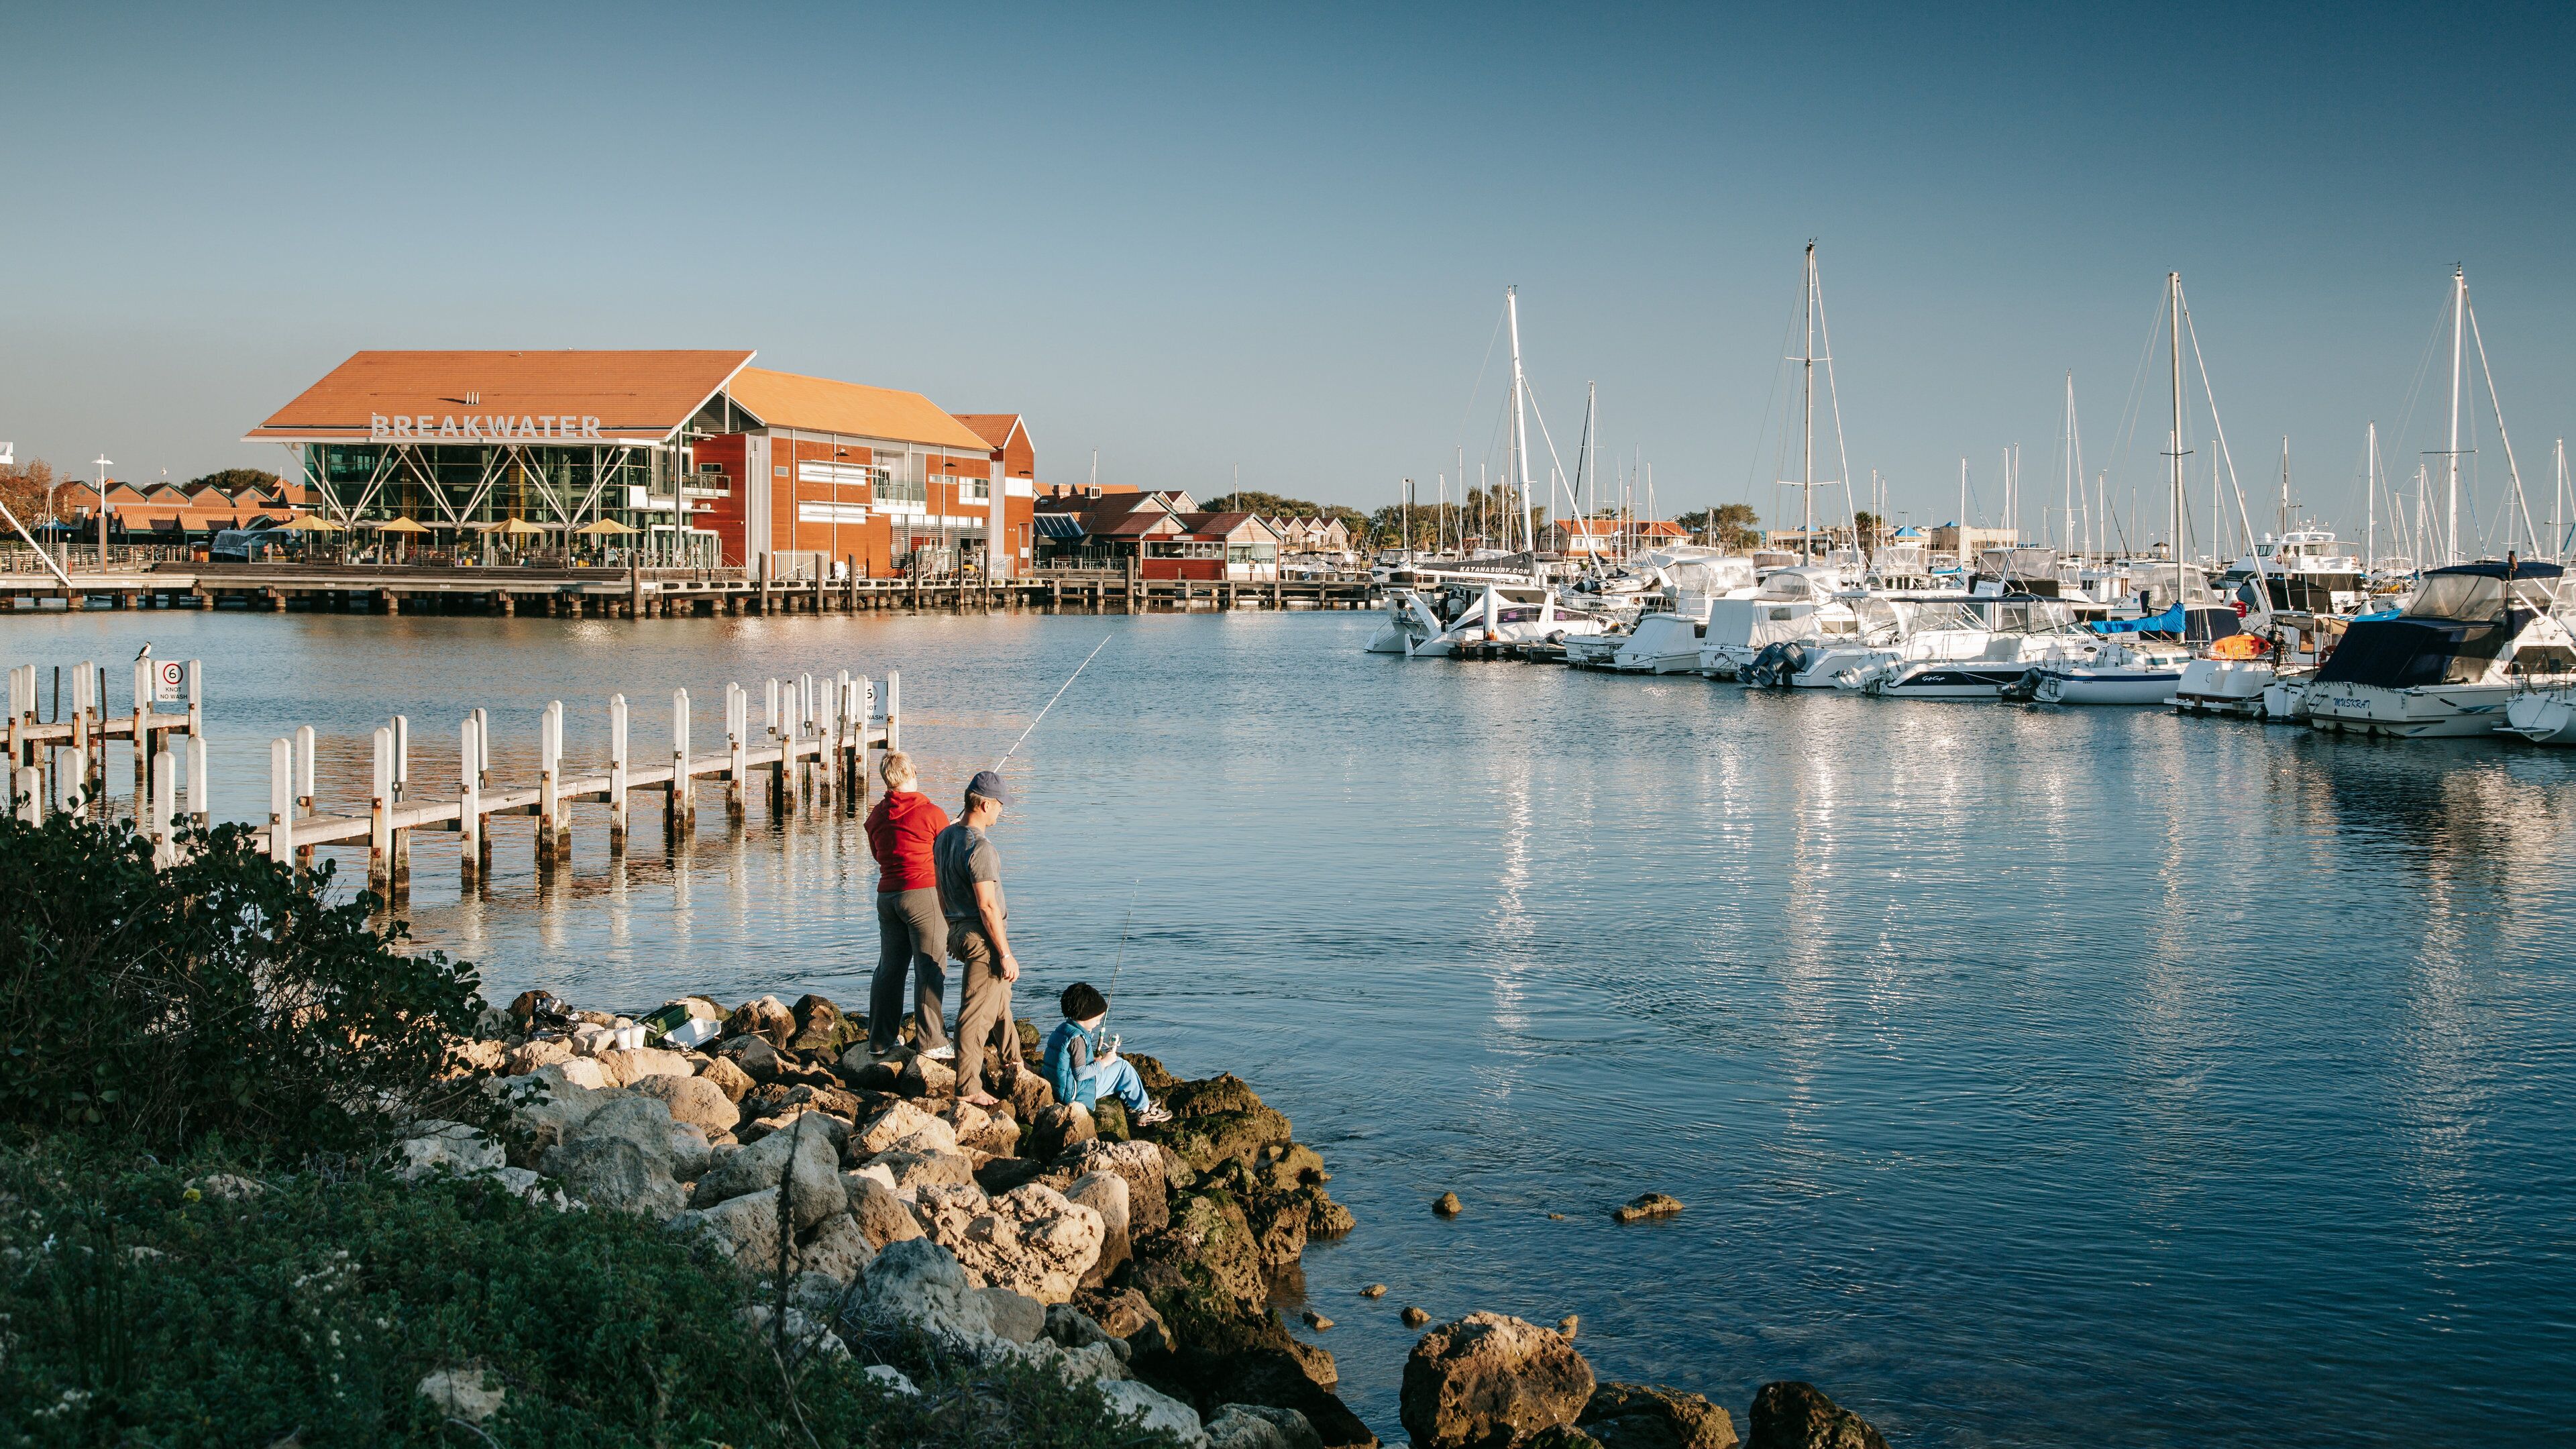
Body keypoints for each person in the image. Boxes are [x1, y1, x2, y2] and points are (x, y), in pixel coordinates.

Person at [934, 769, 1022, 1108]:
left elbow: (940, 890)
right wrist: (1004, 952)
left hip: (956, 930)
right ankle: (968, 1086)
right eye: (1000, 804)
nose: (1003, 809)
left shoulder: (944, 838)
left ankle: (1015, 1062)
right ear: (984, 805)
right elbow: (987, 906)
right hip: (983, 939)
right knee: (974, 1014)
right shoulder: (980, 847)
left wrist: (950, 924)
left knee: (1000, 1000)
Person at [863, 750, 950, 1061]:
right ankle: (931, 1040)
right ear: (913, 772)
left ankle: (880, 1040)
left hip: (888, 897)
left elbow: (878, 854)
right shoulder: (931, 813)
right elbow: (946, 854)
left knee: (890, 968)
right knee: (929, 966)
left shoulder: (876, 816)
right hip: (922, 894)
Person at [1042, 981, 1171, 1126]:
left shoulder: (1063, 1030)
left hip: (1060, 1088)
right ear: (1086, 1016)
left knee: (1116, 1065)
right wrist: (1104, 1063)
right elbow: (1080, 1073)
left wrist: (1096, 1062)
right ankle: (1145, 1110)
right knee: (1123, 1067)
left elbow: (1066, 1063)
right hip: (1076, 1094)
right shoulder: (1077, 1039)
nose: (1098, 1023)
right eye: (1097, 1019)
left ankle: (1134, 1102)